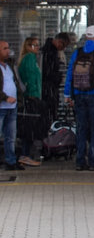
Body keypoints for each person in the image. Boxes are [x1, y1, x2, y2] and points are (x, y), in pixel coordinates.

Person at [64, 25, 94, 171]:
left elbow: (70, 74)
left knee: (81, 128)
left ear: (86, 37)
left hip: (79, 95)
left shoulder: (77, 53)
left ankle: (80, 161)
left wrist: (67, 94)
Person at [16, 37, 43, 167]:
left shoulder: (30, 59)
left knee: (29, 127)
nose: (37, 47)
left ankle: (26, 154)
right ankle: (25, 154)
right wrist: (33, 94)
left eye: (38, 45)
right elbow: (31, 78)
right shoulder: (30, 59)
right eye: (34, 45)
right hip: (31, 97)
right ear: (28, 46)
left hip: (32, 95)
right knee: (29, 127)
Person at [0, 40, 20, 171]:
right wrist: (5, 98)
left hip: (12, 107)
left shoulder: (9, 66)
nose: (8, 51)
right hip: (2, 106)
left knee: (10, 137)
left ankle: (11, 161)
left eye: (8, 48)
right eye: (4, 49)